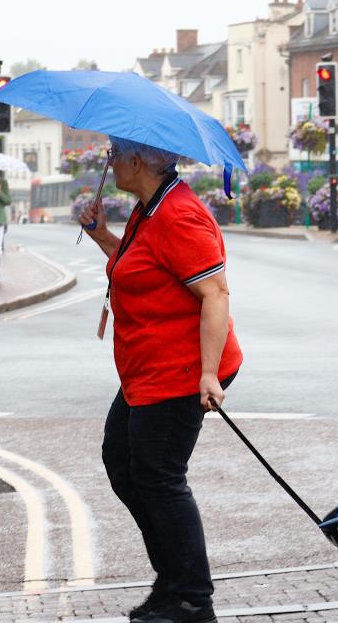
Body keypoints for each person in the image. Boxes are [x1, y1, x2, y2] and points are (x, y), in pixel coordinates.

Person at [78, 137, 242, 623]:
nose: (108, 163)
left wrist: (209, 374)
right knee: (124, 463)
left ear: (136, 161)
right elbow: (142, 269)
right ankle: (173, 580)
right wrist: (102, 237)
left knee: (159, 478)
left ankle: (191, 598)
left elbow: (215, 294)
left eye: (113, 154)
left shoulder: (179, 215)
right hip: (148, 369)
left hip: (182, 371)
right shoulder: (150, 208)